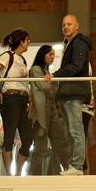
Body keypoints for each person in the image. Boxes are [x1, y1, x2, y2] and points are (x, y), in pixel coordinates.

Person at [51, 14, 92, 174]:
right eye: (63, 25)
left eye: (69, 24)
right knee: (69, 132)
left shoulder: (79, 43)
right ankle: (73, 165)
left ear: (77, 26)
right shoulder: (71, 44)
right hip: (68, 93)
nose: (65, 27)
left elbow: (76, 66)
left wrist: (55, 75)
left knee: (75, 130)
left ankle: (77, 166)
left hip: (74, 92)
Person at [0, 29, 33, 174]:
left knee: (28, 138)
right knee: (9, 138)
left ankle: (18, 173)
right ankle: (9, 174)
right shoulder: (7, 56)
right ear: (21, 41)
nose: (29, 42)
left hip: (23, 99)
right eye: (27, 40)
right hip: (10, 97)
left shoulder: (23, 60)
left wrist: (30, 101)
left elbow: (27, 83)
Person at [27, 44, 62, 176]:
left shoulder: (47, 72)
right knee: (40, 146)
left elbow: (53, 90)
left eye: (53, 55)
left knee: (59, 142)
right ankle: (33, 174)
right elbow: (45, 87)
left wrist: (52, 80)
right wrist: (54, 80)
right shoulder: (36, 69)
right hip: (41, 110)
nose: (52, 57)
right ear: (43, 55)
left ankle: (56, 173)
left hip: (52, 108)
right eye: (50, 54)